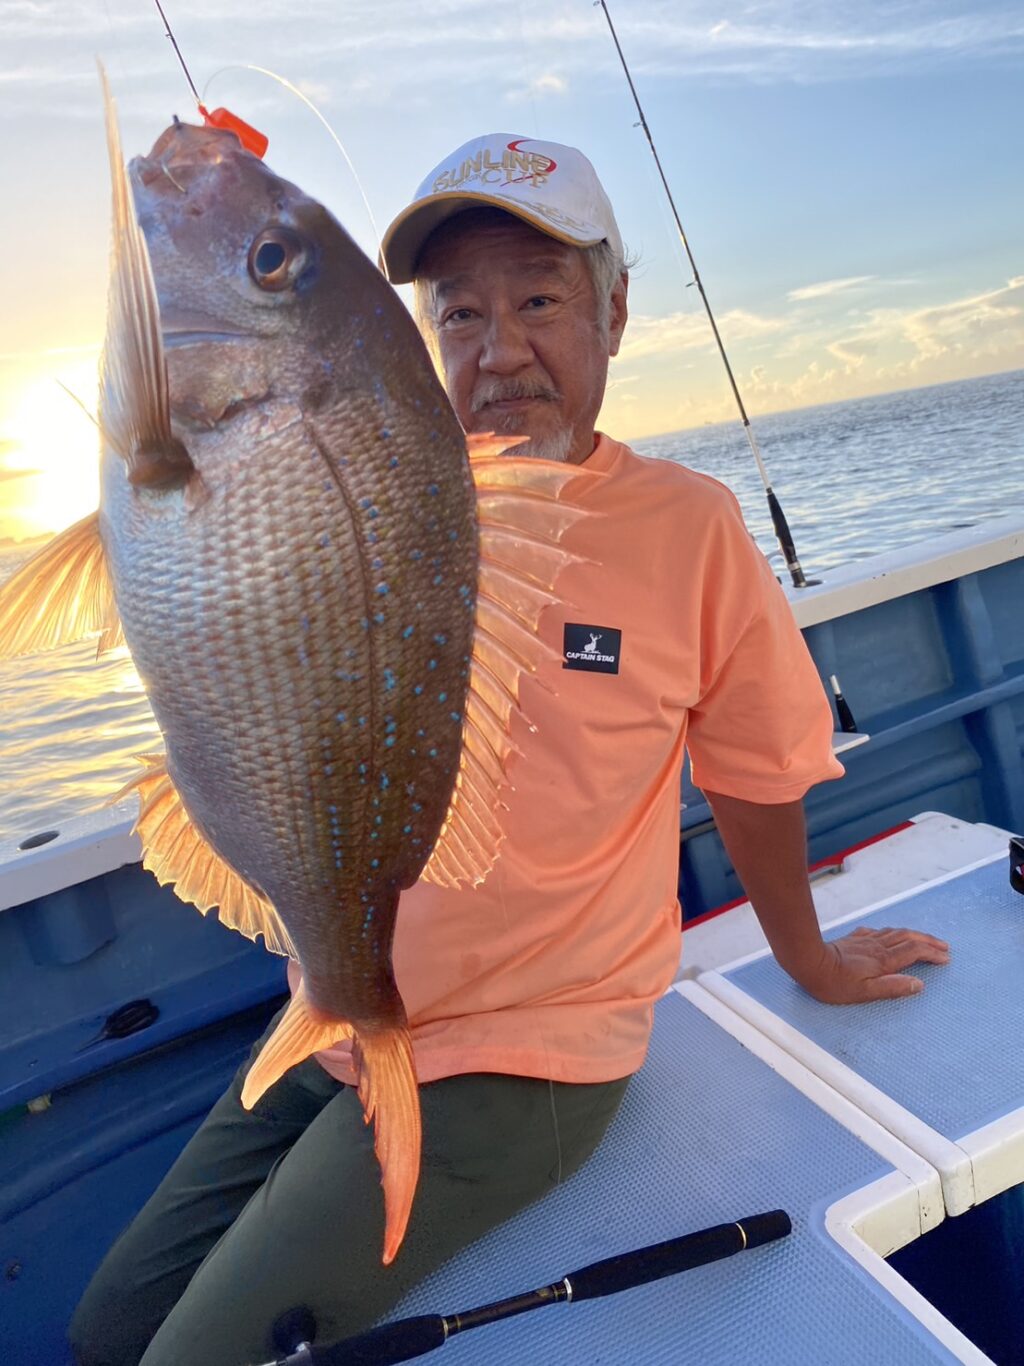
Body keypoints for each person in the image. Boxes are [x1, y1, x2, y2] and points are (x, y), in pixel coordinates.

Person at [70, 133, 949, 1366]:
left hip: (530, 1051)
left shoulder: (690, 531)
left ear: (613, 311)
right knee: (103, 1331)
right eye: (459, 312)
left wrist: (808, 959)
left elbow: (754, 778)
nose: (499, 350)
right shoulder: (360, 498)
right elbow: (212, 585)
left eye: (538, 300)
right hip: (341, 1008)